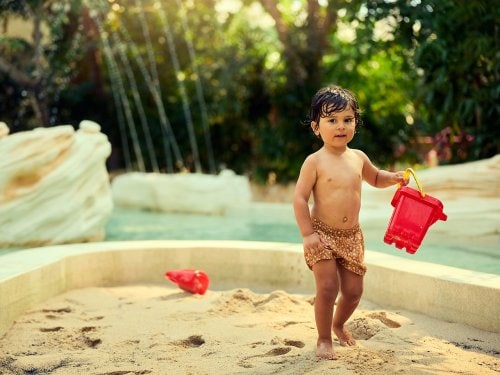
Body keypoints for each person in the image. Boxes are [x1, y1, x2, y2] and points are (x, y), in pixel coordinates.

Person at [293, 85, 408, 360]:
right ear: (316, 127)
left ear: (356, 122)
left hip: (351, 236)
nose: (340, 126)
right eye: (331, 120)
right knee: (328, 288)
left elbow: (375, 177)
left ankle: (338, 324)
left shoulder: (358, 157)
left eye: (347, 119)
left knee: (354, 292)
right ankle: (323, 339)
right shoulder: (315, 161)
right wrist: (308, 234)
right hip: (321, 234)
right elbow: (299, 198)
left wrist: (391, 178)